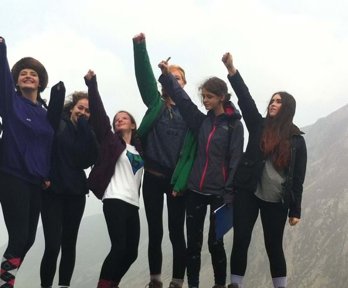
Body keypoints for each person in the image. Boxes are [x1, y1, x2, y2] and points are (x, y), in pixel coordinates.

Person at [221, 52, 307, 288]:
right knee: (241, 239)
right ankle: (235, 284)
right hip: (248, 190)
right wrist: (231, 69)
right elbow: (245, 98)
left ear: (287, 108)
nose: (273, 103)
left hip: (276, 199)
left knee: (273, 245)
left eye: (279, 101)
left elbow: (298, 177)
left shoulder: (297, 140)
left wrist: (295, 209)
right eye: (272, 99)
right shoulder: (258, 125)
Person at [158, 60, 244, 288]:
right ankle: (193, 285)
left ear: (221, 97)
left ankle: (219, 285)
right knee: (193, 245)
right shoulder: (201, 121)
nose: (205, 100)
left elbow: (236, 160)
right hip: (195, 190)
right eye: (203, 96)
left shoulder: (235, 126)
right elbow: (183, 101)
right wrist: (166, 76)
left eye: (209, 97)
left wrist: (229, 192)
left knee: (215, 243)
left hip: (219, 194)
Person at [0, 37, 65, 288]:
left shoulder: (44, 113)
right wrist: (2, 49)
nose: (28, 76)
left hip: (35, 181)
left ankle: (7, 278)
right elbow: (2, 80)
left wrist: (46, 174)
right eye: (23, 74)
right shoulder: (10, 103)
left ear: (40, 82)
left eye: (33, 74)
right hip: (11, 174)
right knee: (18, 237)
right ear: (16, 81)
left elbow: (47, 147)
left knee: (27, 239)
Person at [133, 33, 190, 288]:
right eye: (169, 77)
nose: (172, 80)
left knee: (177, 232)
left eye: (177, 77)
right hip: (154, 178)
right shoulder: (155, 104)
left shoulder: (189, 112)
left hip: (178, 182)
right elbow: (145, 81)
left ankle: (177, 282)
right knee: (155, 232)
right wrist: (140, 47)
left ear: (184, 84)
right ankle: (155, 281)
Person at [84, 70, 144, 288]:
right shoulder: (110, 142)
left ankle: (113, 283)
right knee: (118, 247)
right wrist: (92, 85)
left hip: (132, 204)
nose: (119, 120)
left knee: (132, 253)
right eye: (117, 119)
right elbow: (99, 117)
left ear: (133, 125)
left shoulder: (139, 149)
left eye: (124, 118)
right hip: (114, 199)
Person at [40, 91, 99, 288]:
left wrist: (84, 128)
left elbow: (88, 159)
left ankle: (64, 285)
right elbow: (45, 143)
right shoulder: (59, 123)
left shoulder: (88, 133)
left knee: (69, 244)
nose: (83, 112)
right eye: (80, 108)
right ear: (72, 108)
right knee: (52, 245)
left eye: (87, 111)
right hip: (52, 191)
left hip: (76, 193)